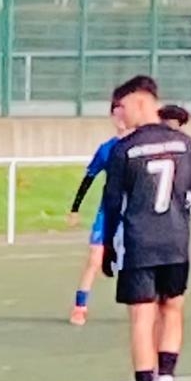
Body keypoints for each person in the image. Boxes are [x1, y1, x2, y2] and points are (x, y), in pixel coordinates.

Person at [99, 75, 191, 381]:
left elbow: (112, 203)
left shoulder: (125, 149)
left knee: (141, 317)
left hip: (139, 243)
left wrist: (108, 247)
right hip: (176, 241)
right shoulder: (187, 145)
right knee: (172, 309)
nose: (119, 115)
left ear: (139, 102)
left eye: (121, 107)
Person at [65, 105, 129, 326]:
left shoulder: (141, 146)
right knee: (94, 258)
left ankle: (149, 305)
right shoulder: (106, 149)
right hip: (109, 212)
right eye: (116, 113)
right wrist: (75, 208)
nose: (121, 118)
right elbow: (89, 178)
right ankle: (80, 307)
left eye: (124, 112)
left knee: (137, 261)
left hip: (135, 212)